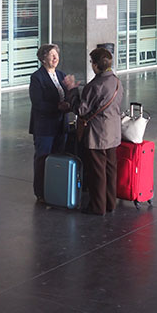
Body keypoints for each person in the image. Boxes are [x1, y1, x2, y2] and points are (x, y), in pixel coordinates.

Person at [64, 47, 123, 215]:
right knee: (111, 170)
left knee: (97, 172)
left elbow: (81, 110)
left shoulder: (95, 85)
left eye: (91, 62)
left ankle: (97, 207)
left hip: (97, 134)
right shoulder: (117, 82)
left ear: (96, 65)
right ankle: (110, 203)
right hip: (113, 132)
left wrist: (72, 90)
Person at [28, 44, 75, 201]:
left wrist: (72, 92)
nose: (56, 58)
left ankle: (54, 188)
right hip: (45, 126)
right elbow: (38, 103)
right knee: (43, 158)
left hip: (61, 124)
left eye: (57, 55)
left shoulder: (61, 75)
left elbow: (67, 96)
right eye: (51, 55)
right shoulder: (37, 77)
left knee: (58, 156)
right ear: (43, 58)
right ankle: (41, 192)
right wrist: (58, 107)